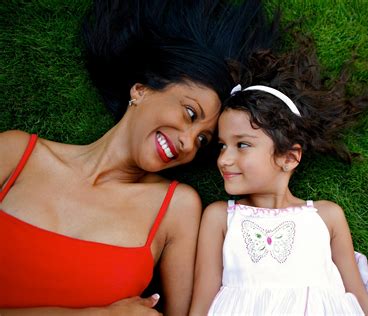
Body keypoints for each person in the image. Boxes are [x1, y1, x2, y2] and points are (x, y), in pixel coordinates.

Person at [0, 0, 279, 315]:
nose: (188, 143)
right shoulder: (14, 155)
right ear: (141, 90)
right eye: (190, 113)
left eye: (203, 140)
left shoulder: (177, 208)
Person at [190, 42, 368, 315]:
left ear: (289, 157)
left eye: (242, 145)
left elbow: (357, 293)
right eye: (222, 145)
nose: (223, 159)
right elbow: (202, 304)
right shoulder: (220, 217)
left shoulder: (326, 216)